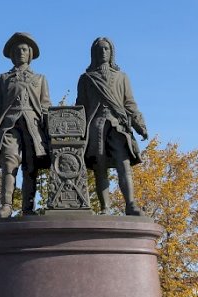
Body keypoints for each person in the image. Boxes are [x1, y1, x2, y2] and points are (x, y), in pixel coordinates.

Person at [0, 32, 51, 218]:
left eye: (24, 49)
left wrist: (52, 128)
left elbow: (45, 106)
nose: (21, 52)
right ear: (12, 54)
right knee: (9, 163)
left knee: (30, 167)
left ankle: (28, 208)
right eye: (17, 49)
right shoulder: (2, 79)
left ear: (30, 54)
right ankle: (6, 205)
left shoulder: (40, 79)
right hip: (9, 126)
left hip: (33, 128)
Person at [76, 37, 148, 216]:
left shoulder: (122, 77)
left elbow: (130, 104)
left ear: (111, 52)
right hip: (95, 127)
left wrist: (140, 125)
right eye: (100, 49)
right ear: (94, 53)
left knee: (123, 164)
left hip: (117, 126)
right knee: (99, 167)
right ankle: (105, 207)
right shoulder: (86, 79)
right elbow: (80, 107)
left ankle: (131, 204)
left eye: (106, 49)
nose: (103, 52)